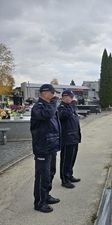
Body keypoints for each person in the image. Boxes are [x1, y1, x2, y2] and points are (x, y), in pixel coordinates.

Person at [30, 84, 61, 213]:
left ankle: (46, 195)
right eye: (52, 92)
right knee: (42, 175)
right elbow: (47, 115)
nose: (54, 95)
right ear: (44, 93)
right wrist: (54, 103)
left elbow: (55, 124)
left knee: (50, 173)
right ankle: (39, 202)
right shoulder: (39, 107)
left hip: (51, 146)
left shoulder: (49, 106)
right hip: (42, 147)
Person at [58, 90, 81, 189]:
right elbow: (64, 115)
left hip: (74, 137)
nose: (69, 98)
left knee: (72, 159)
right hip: (67, 138)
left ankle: (70, 175)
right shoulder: (61, 108)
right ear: (63, 97)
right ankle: (65, 179)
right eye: (66, 96)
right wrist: (72, 105)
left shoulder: (70, 107)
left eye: (70, 97)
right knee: (66, 160)